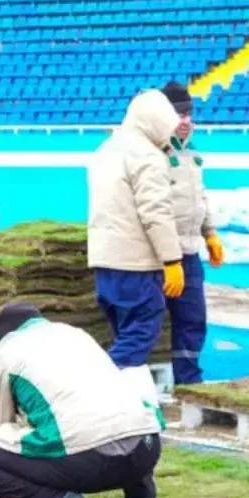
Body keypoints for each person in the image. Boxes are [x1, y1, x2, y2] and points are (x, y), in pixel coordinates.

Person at [0, 302, 166, 498]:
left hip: (90, 464)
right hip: (147, 449)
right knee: (114, 413)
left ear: (2, 335)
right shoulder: (75, 334)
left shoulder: (3, 354)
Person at [86, 88, 185, 394]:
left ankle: (122, 400)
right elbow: (155, 212)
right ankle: (97, 395)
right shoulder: (147, 157)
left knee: (123, 333)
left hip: (105, 262)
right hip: (136, 263)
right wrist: (172, 260)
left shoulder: (105, 150)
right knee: (140, 331)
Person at [161, 81, 225, 385]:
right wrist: (166, 258)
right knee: (152, 322)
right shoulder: (153, 154)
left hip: (189, 254)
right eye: (178, 115)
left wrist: (210, 233)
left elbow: (199, 198)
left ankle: (187, 380)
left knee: (193, 320)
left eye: (189, 114)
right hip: (159, 257)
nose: (186, 121)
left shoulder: (192, 155)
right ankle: (151, 385)